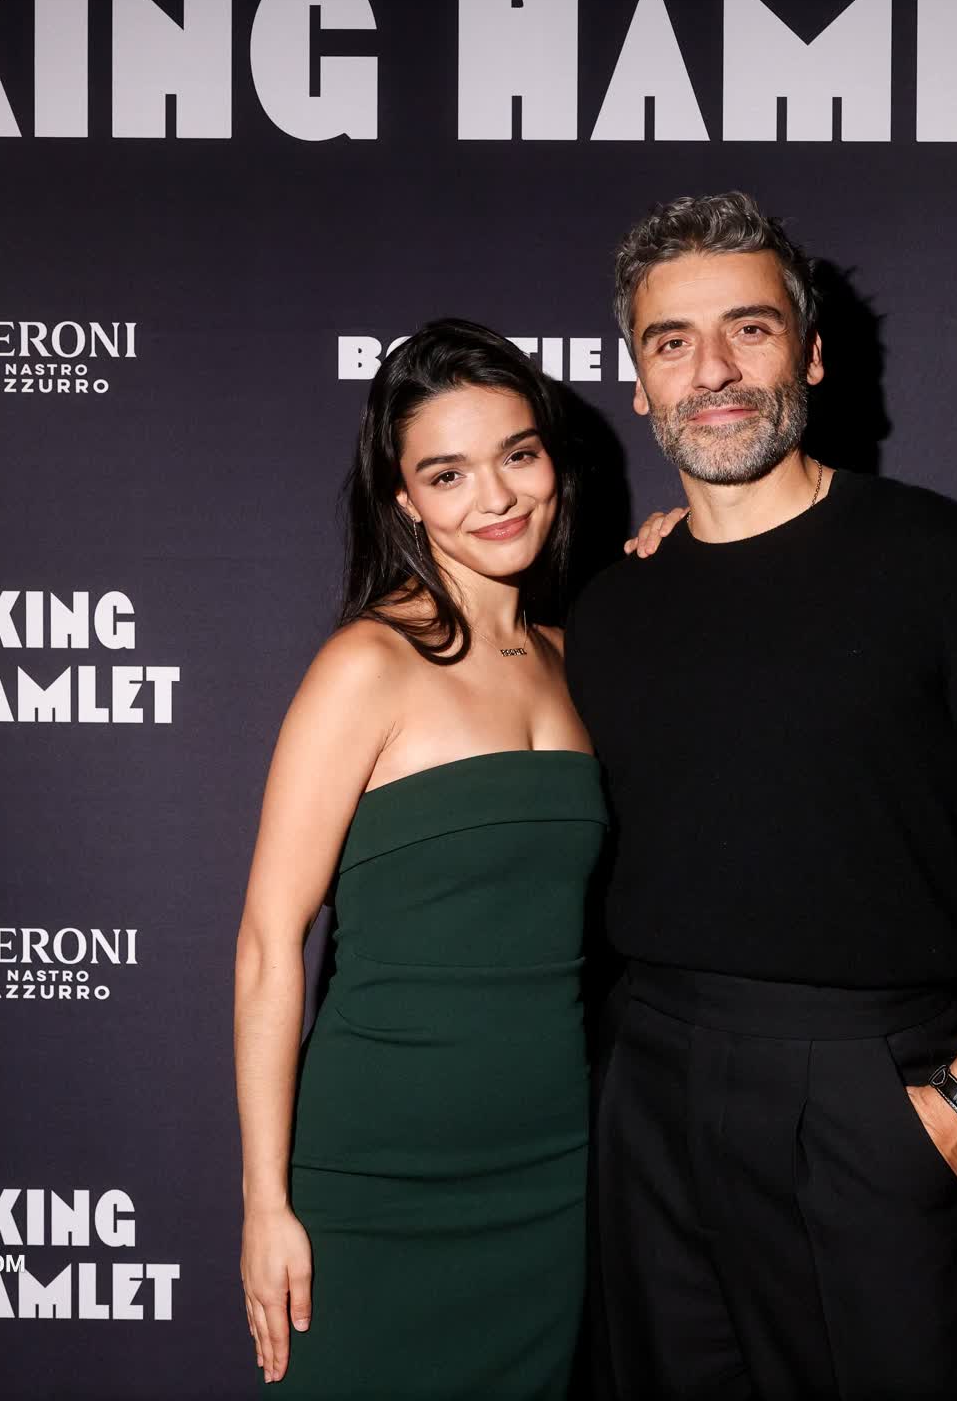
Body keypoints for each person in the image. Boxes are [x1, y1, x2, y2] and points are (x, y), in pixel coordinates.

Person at [565, 193, 957, 1399]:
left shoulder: (945, 559)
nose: (712, 371)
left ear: (811, 354)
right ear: (640, 384)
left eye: (749, 329)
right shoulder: (615, 600)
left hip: (867, 1093)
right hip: (647, 1085)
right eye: (672, 341)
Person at [234, 320, 604, 1397]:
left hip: (551, 1167)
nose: (496, 496)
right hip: (376, 1172)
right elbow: (268, 945)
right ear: (404, 500)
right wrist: (266, 1203)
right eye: (448, 473)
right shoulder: (368, 663)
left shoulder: (581, 659)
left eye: (517, 454)